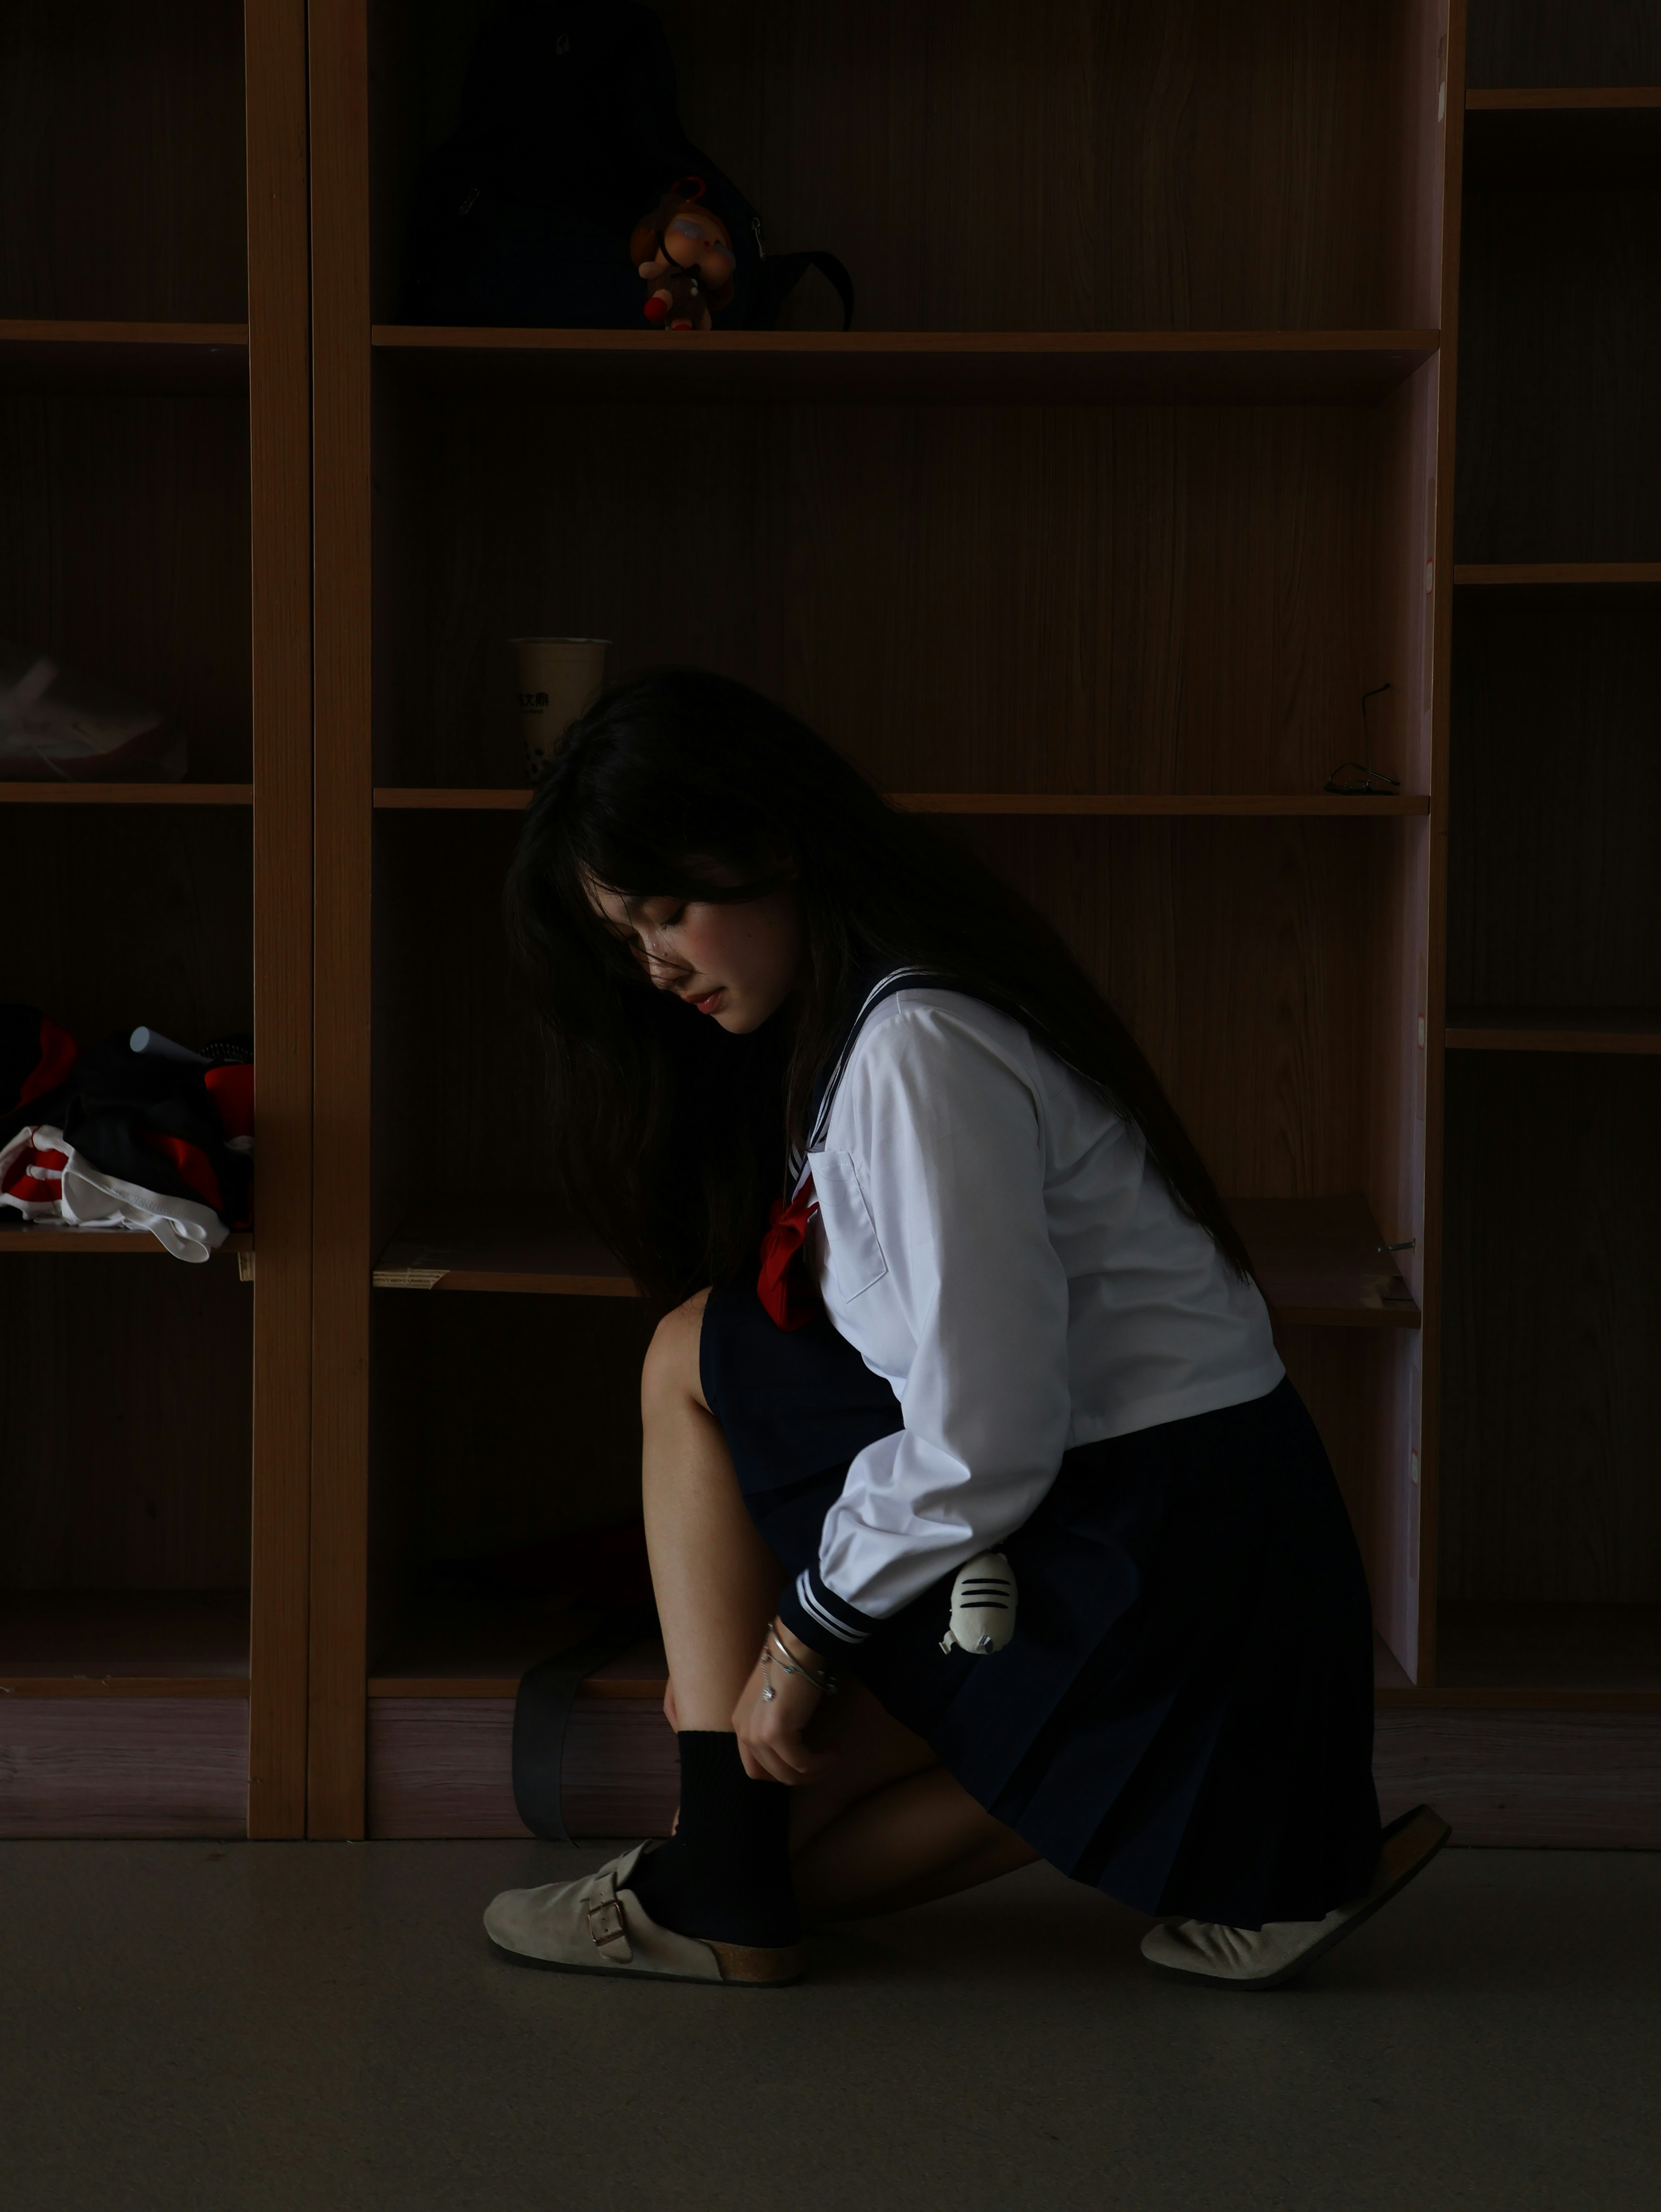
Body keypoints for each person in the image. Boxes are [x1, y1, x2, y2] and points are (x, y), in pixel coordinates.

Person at [484, 670, 1447, 1990]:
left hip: (1155, 1547)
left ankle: (734, 1879)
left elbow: (987, 1434)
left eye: (667, 911)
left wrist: (797, 1644)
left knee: (692, 1374)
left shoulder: (916, 1046)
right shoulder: (876, 1019)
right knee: (771, 1849)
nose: (655, 962)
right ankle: (734, 1872)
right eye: (627, 935)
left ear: (774, 845)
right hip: (1178, 1523)